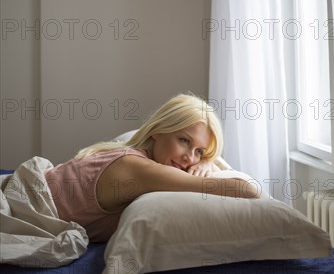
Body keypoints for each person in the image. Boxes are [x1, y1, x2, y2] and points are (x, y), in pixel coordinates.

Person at [45, 93, 259, 242]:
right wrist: (208, 163)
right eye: (184, 140)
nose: (189, 158)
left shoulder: (133, 154)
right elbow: (248, 190)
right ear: (157, 130)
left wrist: (207, 161)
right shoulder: (139, 169)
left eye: (199, 151)